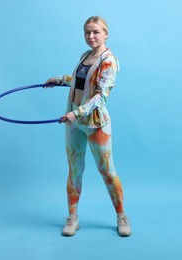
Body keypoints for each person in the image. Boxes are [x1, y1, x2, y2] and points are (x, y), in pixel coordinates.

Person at [45, 16, 131, 237]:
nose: (91, 36)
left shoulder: (109, 61)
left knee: (107, 172)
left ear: (106, 34)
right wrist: (58, 79)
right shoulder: (85, 56)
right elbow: (79, 82)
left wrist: (77, 113)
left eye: (95, 32)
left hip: (94, 123)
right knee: (74, 170)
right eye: (87, 32)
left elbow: (101, 95)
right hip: (74, 122)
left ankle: (122, 216)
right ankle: (72, 217)